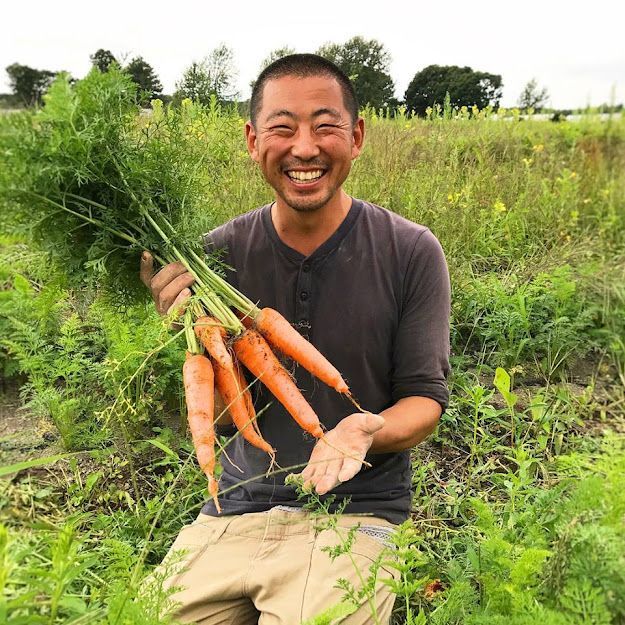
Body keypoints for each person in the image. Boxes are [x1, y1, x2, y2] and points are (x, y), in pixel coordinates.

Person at [140, 54, 450, 625]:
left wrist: (361, 434)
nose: (304, 148)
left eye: (325, 125)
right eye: (283, 128)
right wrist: (182, 334)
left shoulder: (411, 252)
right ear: (253, 140)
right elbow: (226, 418)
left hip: (357, 513)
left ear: (356, 137)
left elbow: (424, 403)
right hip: (234, 506)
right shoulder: (210, 259)